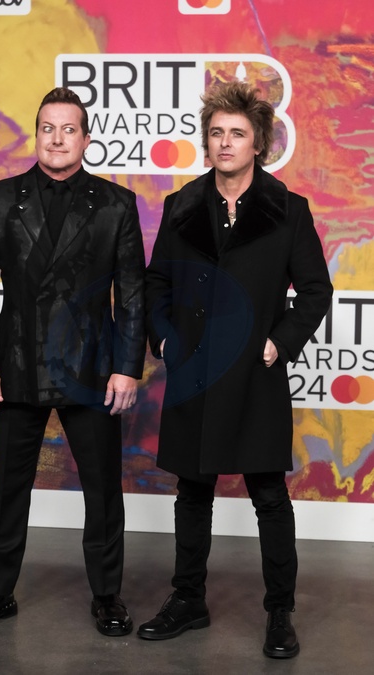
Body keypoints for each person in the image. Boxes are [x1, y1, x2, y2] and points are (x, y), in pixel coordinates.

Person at [138, 81, 333, 658]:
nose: (225, 142)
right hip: (195, 372)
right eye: (217, 132)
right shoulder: (181, 205)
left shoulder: (288, 209)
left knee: (269, 495)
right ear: (208, 141)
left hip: (254, 373)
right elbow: (156, 281)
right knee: (192, 492)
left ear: (258, 144)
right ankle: (188, 600)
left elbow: (316, 290)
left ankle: (280, 613)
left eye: (237, 134)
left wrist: (279, 343)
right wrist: (165, 338)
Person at [0, 87, 146, 637]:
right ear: (37, 135)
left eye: (68, 129)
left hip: (93, 370)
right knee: (6, 489)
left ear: (86, 139)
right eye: (47, 128)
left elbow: (133, 293)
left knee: (102, 490)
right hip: (15, 365)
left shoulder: (117, 204)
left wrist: (127, 366)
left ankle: (107, 595)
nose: (57, 138)